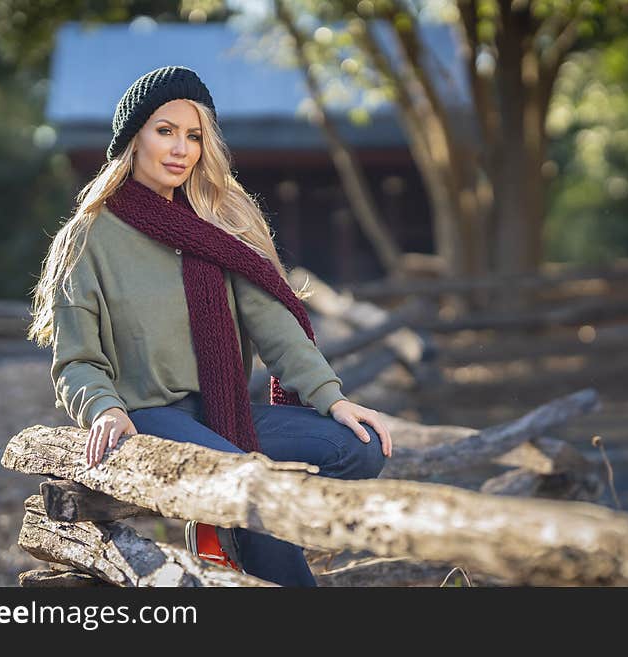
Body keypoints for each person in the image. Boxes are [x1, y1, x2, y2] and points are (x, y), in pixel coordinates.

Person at [26, 65, 393, 587]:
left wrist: (333, 399)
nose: (181, 148)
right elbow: (75, 360)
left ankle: (249, 538)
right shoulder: (87, 239)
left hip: (224, 411)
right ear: (133, 140)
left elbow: (277, 330)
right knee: (248, 481)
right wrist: (103, 408)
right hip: (147, 417)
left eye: (194, 136)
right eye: (165, 131)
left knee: (361, 447)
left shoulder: (214, 227)